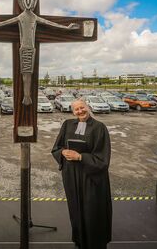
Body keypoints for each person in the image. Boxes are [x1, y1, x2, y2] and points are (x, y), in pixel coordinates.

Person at [51, 99, 112, 249]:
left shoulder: (99, 128)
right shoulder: (67, 125)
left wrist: (80, 157)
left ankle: (95, 243)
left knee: (93, 212)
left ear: (88, 107)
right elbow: (56, 149)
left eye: (82, 108)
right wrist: (63, 152)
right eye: (76, 109)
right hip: (71, 176)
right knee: (75, 209)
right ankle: (79, 240)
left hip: (91, 178)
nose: (80, 111)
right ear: (73, 112)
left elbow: (103, 159)